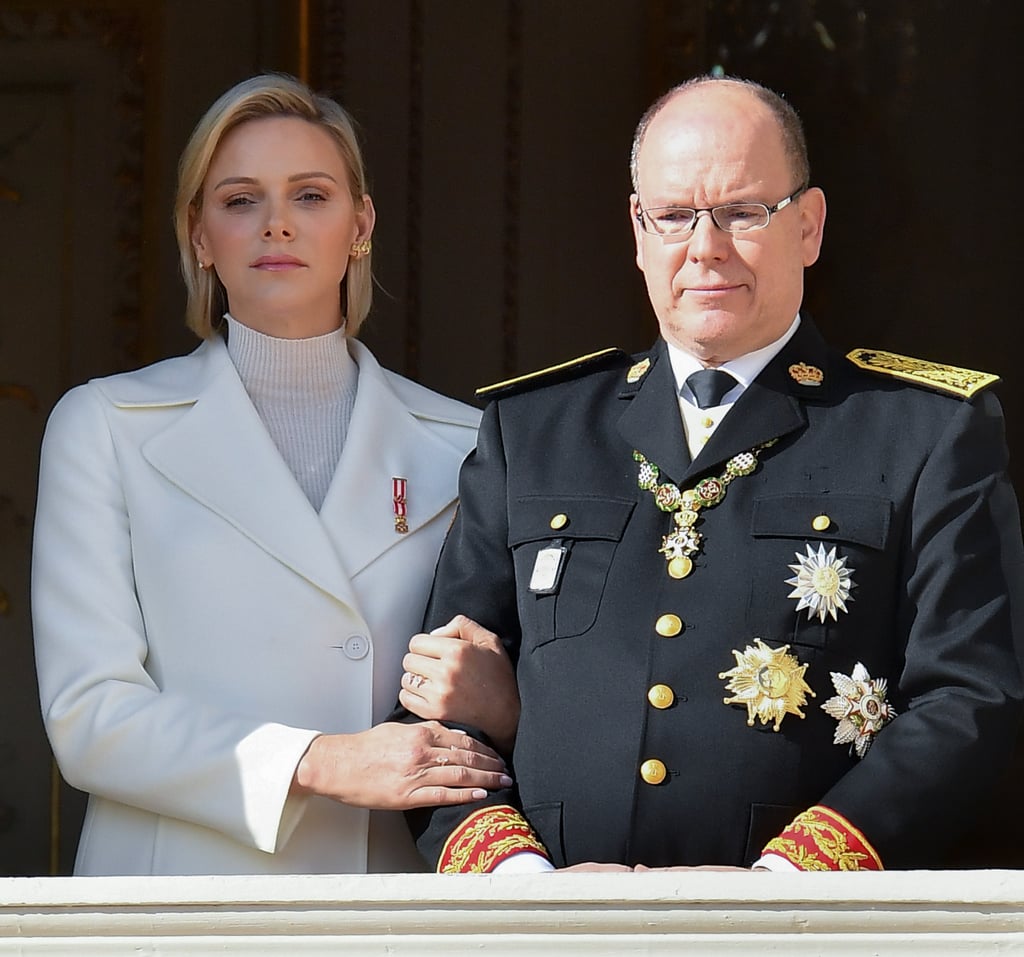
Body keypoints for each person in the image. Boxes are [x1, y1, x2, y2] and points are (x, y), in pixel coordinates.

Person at [405, 74, 1024, 874]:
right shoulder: (534, 431)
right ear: (637, 230)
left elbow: (969, 697)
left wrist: (783, 886)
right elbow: (434, 706)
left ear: (809, 225)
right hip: (553, 927)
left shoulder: (924, 432)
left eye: (742, 212)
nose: (706, 247)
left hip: (804, 930)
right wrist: (525, 886)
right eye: (674, 215)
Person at [31, 73, 519, 876]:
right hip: (177, 902)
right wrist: (320, 761)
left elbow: (520, 702)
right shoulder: (104, 428)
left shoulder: (465, 443)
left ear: (361, 225)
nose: (278, 224)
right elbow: (90, 717)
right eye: (240, 199)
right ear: (198, 233)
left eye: (312, 195)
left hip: (388, 900)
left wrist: (506, 699)